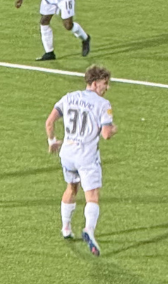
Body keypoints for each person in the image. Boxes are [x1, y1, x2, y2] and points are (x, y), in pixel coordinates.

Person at [46, 64, 116, 256]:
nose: (107, 87)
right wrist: (113, 129)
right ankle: (89, 229)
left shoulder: (69, 97)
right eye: (104, 83)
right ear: (94, 83)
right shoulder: (103, 104)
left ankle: (66, 228)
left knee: (71, 188)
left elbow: (49, 122)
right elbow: (106, 135)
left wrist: (52, 141)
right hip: (86, 157)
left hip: (67, 154)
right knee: (92, 195)